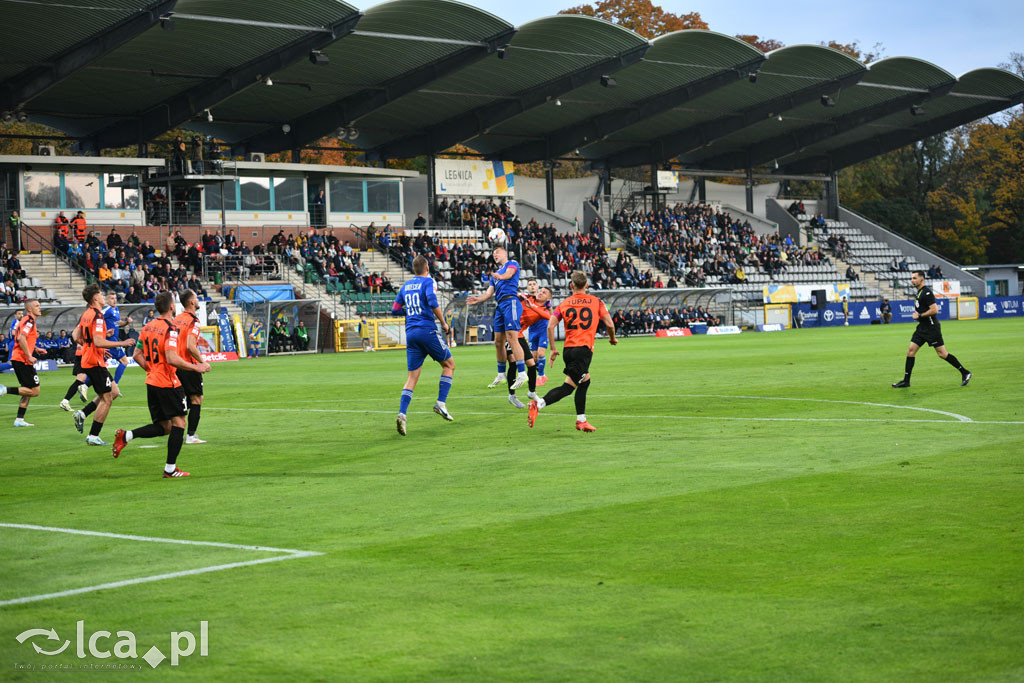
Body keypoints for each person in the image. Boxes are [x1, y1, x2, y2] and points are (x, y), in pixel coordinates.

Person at [111, 291, 211, 477]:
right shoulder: (170, 328)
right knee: (180, 422)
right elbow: (173, 358)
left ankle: (126, 436)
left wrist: (150, 370)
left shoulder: (148, 326)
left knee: (165, 427)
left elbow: (136, 355)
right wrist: (196, 367)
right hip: (168, 383)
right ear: (171, 306)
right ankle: (170, 469)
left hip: (152, 382)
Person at [528, 270, 617, 432]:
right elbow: (610, 324)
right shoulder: (596, 301)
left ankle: (581, 420)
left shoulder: (564, 303)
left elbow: (551, 325)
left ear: (571, 286)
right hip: (583, 350)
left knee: (585, 380)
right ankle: (538, 404)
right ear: (587, 285)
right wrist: (612, 338)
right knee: (568, 387)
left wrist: (553, 349)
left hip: (568, 350)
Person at [392, 255, 454, 436]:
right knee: (449, 365)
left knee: (412, 378)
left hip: (411, 334)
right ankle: (440, 403)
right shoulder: (427, 282)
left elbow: (395, 310)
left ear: (414, 269)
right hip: (427, 330)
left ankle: (402, 415)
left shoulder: (405, 287)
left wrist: (411, 310)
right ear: (427, 267)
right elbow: (432, 302)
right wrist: (443, 322)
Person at [70, 284, 136, 445]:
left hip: (91, 358)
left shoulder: (87, 314)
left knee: (113, 391)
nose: (102, 296)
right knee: (107, 398)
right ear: (95, 298)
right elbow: (99, 341)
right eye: (100, 294)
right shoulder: (98, 315)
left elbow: (76, 334)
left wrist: (89, 346)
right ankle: (93, 435)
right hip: (95, 361)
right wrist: (123, 342)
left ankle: (83, 414)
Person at [892, 271, 971, 388]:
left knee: (942, 354)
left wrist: (919, 315)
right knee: (911, 351)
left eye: (914, 278)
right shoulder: (919, 292)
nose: (912, 280)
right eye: (911, 278)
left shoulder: (927, 292)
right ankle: (906, 381)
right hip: (922, 328)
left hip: (931, 328)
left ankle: (965, 372)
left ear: (921, 279)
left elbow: (934, 310)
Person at [467, 246, 528, 390]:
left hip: (511, 302)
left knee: (512, 338)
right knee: (498, 341)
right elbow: (489, 293)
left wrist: (500, 276)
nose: (495, 255)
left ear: (505, 254)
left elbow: (509, 274)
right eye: (493, 253)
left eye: (497, 252)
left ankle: (522, 373)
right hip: (500, 306)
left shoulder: (511, 264)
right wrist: (478, 299)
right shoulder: (495, 275)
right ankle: (501, 374)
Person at [0, 299, 45, 426]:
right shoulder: (29, 320)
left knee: (27, 390)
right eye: (37, 306)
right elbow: (21, 338)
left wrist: (36, 348)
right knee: (35, 391)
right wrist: (29, 355)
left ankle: (19, 420)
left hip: (20, 358)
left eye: (39, 305)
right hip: (22, 360)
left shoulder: (27, 321)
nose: (39, 308)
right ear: (29, 309)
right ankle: (4, 390)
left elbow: (26, 338)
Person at [173, 290, 208, 445]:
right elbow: (190, 346)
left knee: (185, 399)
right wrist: (202, 362)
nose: (198, 300)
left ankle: (178, 431)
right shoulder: (193, 321)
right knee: (196, 399)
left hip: (176, 364)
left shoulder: (176, 319)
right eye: (196, 298)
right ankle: (191, 436)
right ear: (192, 302)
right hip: (189, 365)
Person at [504, 292, 548, 409]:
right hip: (507, 331)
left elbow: (549, 317)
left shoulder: (542, 310)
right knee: (513, 362)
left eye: (544, 293)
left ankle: (531, 392)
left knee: (532, 364)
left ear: (548, 298)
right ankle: (512, 395)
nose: (540, 293)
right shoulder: (527, 298)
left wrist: (532, 307)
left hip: (519, 334)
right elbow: (514, 295)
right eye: (541, 291)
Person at [102, 291, 132, 392]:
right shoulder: (107, 310)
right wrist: (104, 333)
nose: (114, 300)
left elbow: (118, 323)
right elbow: (96, 320)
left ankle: (83, 385)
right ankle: (115, 386)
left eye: (115, 298)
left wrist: (127, 322)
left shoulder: (116, 310)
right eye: (111, 298)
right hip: (108, 340)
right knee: (124, 361)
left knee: (101, 367)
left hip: (113, 340)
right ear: (107, 300)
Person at [524, 279, 553, 386]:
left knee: (541, 353)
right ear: (527, 287)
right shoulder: (526, 299)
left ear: (537, 286)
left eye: (534, 284)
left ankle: (541, 375)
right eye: (529, 284)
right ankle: (538, 374)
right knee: (534, 357)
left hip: (543, 329)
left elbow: (550, 313)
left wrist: (551, 322)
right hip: (532, 330)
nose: (532, 286)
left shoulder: (544, 299)